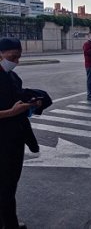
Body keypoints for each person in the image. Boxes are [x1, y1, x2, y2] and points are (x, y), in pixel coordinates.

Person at [0, 37, 42, 229]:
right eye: (13, 57)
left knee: (9, 186)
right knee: (6, 189)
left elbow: (17, 98)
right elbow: (11, 109)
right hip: (3, 143)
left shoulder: (12, 76)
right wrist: (11, 112)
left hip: (14, 139)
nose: (16, 61)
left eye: (18, 58)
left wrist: (32, 103)